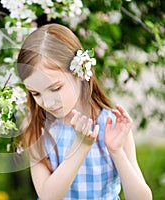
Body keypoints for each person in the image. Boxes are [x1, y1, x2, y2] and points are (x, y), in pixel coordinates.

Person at [16, 23, 152, 200]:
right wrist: (80, 146)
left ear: (80, 73)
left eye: (55, 88)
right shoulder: (37, 128)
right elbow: (48, 196)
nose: (47, 102)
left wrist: (117, 152)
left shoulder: (111, 124)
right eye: (36, 93)